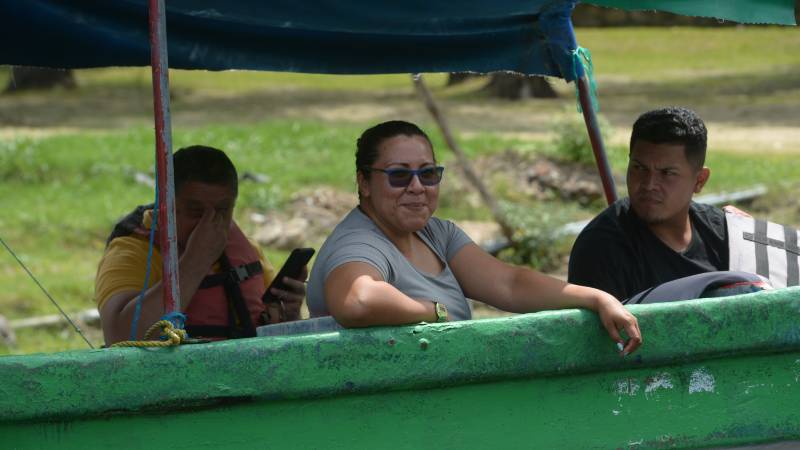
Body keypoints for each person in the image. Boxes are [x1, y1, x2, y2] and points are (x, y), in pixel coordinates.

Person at [307, 121, 641, 356]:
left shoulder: (437, 233)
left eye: (427, 173)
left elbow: (510, 284)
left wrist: (597, 299)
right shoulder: (360, 242)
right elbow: (357, 301)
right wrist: (434, 311)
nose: (417, 187)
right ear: (363, 183)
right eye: (398, 175)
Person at [96, 145, 306, 345]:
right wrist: (196, 261)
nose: (208, 224)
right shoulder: (131, 253)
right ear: (164, 206)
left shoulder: (248, 250)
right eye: (196, 212)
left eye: (222, 211)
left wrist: (289, 315)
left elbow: (273, 333)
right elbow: (119, 337)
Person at [568, 107, 728, 301]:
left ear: (699, 180)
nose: (649, 184)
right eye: (639, 168)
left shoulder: (723, 233)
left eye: (667, 173)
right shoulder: (601, 250)